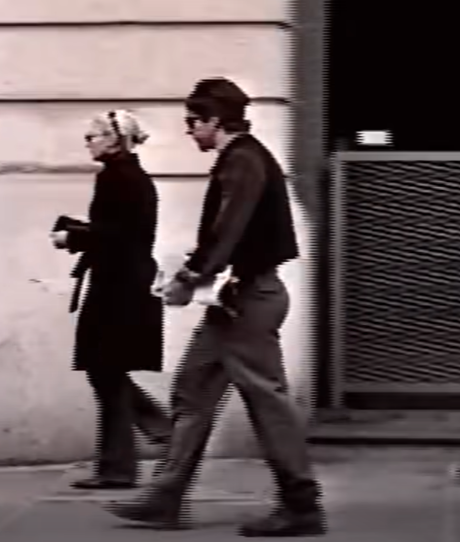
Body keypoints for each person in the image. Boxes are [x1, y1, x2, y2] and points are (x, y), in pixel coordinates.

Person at [104, 78, 328, 537]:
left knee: (267, 402)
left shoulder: (243, 161)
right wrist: (198, 273)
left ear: (214, 121)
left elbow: (229, 229)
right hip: (236, 301)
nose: (189, 132)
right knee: (192, 390)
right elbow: (228, 234)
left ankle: (301, 503)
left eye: (193, 122)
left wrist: (192, 276)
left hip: (250, 301)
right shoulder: (242, 158)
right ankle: (165, 498)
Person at [50, 109, 172, 490]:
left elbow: (117, 237)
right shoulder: (127, 177)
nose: (88, 141)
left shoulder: (119, 179)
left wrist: (74, 238)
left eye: (95, 135)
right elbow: (118, 231)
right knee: (107, 371)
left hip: (119, 287)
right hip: (122, 283)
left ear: (116, 140)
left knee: (105, 369)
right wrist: (79, 230)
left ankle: (129, 459)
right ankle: (152, 436)